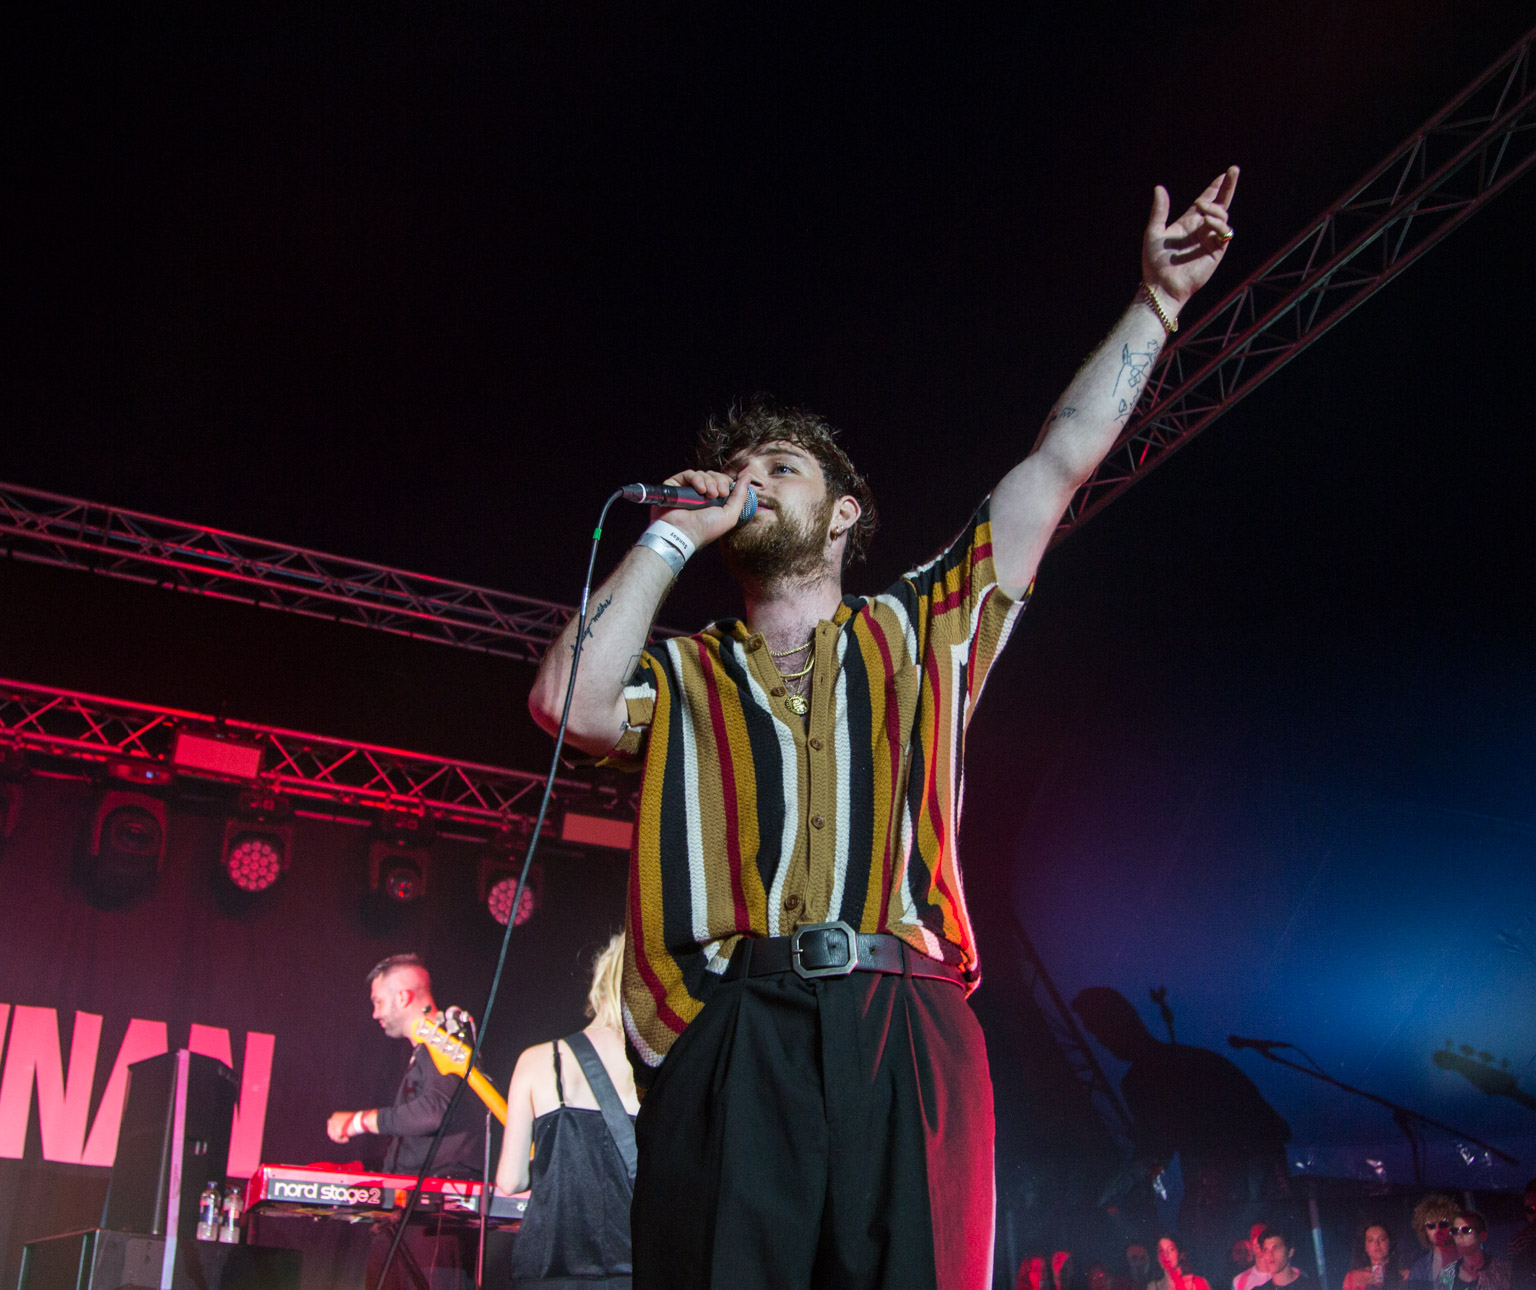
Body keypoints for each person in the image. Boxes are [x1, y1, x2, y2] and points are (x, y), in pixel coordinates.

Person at [528, 165, 1241, 1290]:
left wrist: (1157, 306)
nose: (751, 481)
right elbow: (567, 703)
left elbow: (1057, 463)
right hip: (729, 1024)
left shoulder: (924, 624)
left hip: (903, 1015)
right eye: (741, 468)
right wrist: (670, 537)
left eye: (781, 467)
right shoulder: (689, 668)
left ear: (844, 511)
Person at [1071, 988, 1292, 1267]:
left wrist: (1109, 1194)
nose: (1102, 1041)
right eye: (1094, 1033)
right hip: (1248, 1192)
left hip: (1228, 1196)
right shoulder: (1199, 1058)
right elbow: (1277, 1127)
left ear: (1123, 1022)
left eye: (1100, 1030)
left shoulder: (1141, 1080)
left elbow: (1154, 1153)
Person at [327, 954, 492, 1290]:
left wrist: (360, 1121)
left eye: (378, 1001)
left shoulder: (442, 1037)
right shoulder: (427, 1047)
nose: (375, 1013)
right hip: (414, 1214)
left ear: (402, 997)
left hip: (436, 1217)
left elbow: (435, 1111)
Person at [495, 933, 640, 1289]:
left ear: (602, 980)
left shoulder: (538, 1060)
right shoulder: (663, 1070)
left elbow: (511, 1180)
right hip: (636, 1269)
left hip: (552, 1269)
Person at [1436, 1211, 1507, 1290]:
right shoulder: (1446, 1274)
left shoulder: (1502, 1270)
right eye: (1455, 1231)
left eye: (1466, 1230)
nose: (1459, 1236)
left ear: (1483, 1236)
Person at [1407, 1196, 1462, 1286]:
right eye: (1431, 1225)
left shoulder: (1470, 1259)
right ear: (1424, 1230)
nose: (1437, 1230)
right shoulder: (1420, 1268)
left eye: (1443, 1224)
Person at [1343, 1222, 1405, 1290]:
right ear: (1365, 1246)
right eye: (1371, 1240)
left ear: (1390, 1243)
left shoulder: (1404, 1275)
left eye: (1382, 1239)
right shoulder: (1353, 1277)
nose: (1376, 1243)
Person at [1234, 1224, 1272, 1290]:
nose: (1257, 1241)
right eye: (1254, 1236)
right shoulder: (1239, 1281)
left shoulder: (1287, 1274)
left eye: (1262, 1236)